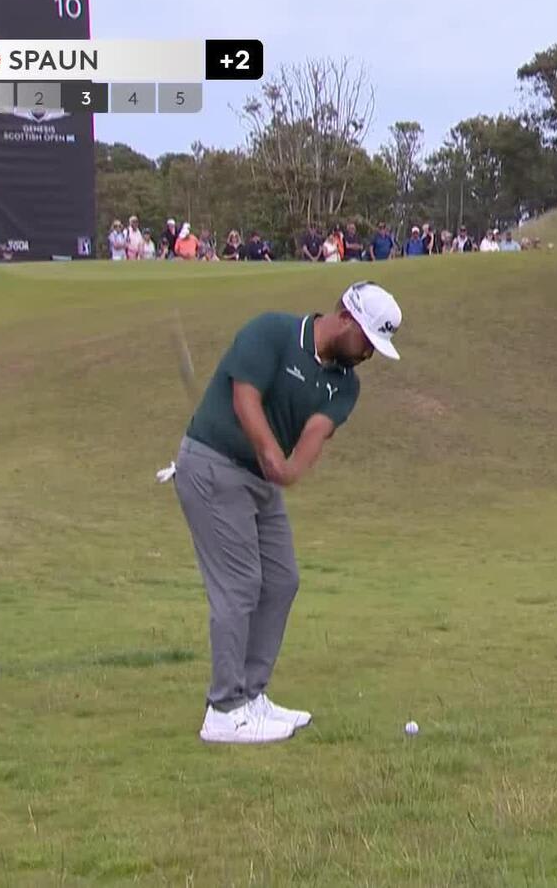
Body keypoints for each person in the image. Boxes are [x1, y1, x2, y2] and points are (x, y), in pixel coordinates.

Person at [167, 281, 403, 743]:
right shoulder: (272, 332)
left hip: (258, 482)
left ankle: (251, 696)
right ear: (345, 318)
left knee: (281, 580)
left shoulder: (345, 384)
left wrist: (291, 469)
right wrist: (272, 455)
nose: (369, 355)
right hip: (212, 464)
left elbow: (317, 430)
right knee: (238, 585)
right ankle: (224, 709)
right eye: (367, 341)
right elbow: (245, 398)